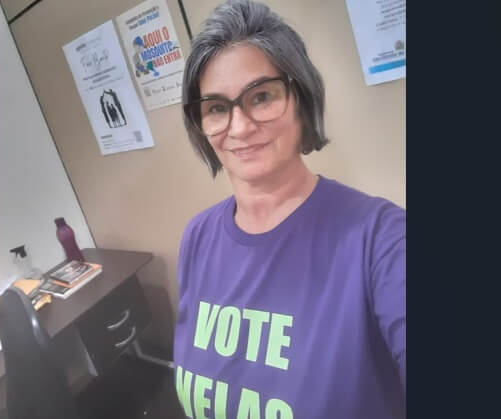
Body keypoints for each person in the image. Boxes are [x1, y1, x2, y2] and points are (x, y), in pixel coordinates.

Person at [173, 1, 406, 418]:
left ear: (301, 99)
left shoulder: (381, 240)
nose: (240, 127)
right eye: (217, 108)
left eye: (261, 96)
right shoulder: (198, 237)